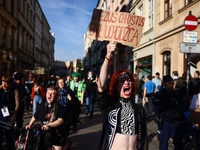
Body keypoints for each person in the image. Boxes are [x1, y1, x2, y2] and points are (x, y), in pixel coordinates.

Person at [97, 42, 147, 150]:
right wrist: (108, 56)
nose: (127, 83)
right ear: (116, 86)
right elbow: (101, 85)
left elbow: (144, 138)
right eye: (122, 81)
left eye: (129, 81)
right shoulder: (109, 104)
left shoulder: (139, 109)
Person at [153, 75, 187, 150]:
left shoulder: (177, 94)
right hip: (165, 123)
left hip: (176, 123)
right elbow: (156, 109)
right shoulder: (159, 95)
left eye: (172, 83)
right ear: (164, 84)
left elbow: (182, 108)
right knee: (163, 145)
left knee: (178, 145)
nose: (171, 85)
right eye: (169, 83)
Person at [0, 74, 20, 150]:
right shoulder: (1, 89)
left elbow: (17, 105)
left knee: (9, 137)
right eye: (2, 83)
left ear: (10, 83)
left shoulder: (15, 90)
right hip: (0, 114)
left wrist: (14, 115)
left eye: (6, 83)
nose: (4, 85)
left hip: (10, 115)